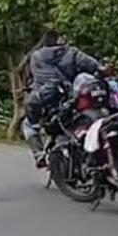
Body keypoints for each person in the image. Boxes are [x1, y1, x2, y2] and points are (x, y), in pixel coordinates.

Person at [21, 29, 102, 165]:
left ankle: (39, 154)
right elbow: (93, 66)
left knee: (29, 124)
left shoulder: (36, 56)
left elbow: (37, 78)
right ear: (60, 40)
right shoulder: (72, 53)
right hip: (71, 97)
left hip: (49, 99)